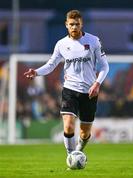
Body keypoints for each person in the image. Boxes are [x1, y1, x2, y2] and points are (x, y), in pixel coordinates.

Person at [24, 10, 109, 155]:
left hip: (89, 92)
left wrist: (97, 83)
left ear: (81, 24)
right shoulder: (61, 44)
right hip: (69, 90)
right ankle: (71, 156)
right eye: (71, 24)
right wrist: (36, 72)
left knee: (84, 133)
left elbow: (104, 66)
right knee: (68, 126)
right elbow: (51, 65)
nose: (74, 27)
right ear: (66, 25)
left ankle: (79, 150)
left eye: (77, 24)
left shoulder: (93, 41)